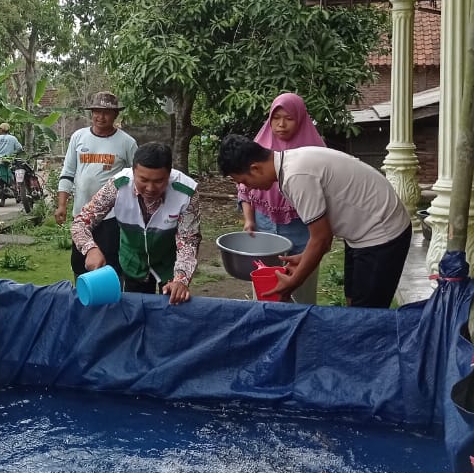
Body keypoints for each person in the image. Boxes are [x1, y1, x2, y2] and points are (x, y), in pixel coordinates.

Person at [218, 136, 411, 309]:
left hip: (382, 232)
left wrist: (292, 283)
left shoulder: (296, 176)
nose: (247, 188)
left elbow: (321, 240)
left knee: (367, 313)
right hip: (363, 229)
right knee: (354, 299)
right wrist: (305, 257)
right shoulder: (290, 163)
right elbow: (321, 237)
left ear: (255, 168)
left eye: (243, 181)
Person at [70, 142, 201, 305]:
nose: (150, 188)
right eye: (143, 180)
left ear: (169, 174)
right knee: (135, 311)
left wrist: (181, 279)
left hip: (170, 264)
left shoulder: (186, 192)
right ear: (133, 172)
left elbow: (189, 241)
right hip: (133, 262)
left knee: (172, 311)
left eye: (159, 181)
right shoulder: (117, 186)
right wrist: (90, 249)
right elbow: (81, 221)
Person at [237, 93, 326, 301]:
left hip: (302, 227)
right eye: (276, 119)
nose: (281, 125)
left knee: (301, 284)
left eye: (289, 118)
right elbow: (244, 187)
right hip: (264, 224)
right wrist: (249, 220)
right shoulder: (258, 147)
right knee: (265, 283)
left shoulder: (315, 151)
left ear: (301, 119)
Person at [55, 91, 138, 278]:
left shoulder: (127, 143)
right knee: (79, 262)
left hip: (112, 216)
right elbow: (67, 172)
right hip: (81, 214)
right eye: (97, 112)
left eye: (107, 112)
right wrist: (62, 205)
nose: (101, 117)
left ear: (116, 115)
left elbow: (138, 178)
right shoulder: (78, 137)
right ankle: (83, 300)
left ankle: (111, 303)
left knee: (110, 263)